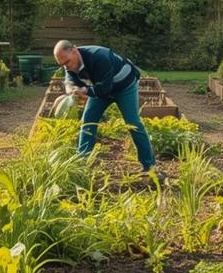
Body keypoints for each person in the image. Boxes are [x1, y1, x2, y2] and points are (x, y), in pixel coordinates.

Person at [53, 40, 158, 179]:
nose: (66, 67)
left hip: (124, 86)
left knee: (133, 123)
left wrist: (85, 91)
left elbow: (104, 90)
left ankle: (150, 166)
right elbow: (70, 82)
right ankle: (82, 163)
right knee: (88, 121)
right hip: (102, 86)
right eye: (62, 65)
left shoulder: (100, 56)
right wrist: (72, 91)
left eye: (67, 62)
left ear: (74, 51)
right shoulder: (70, 65)